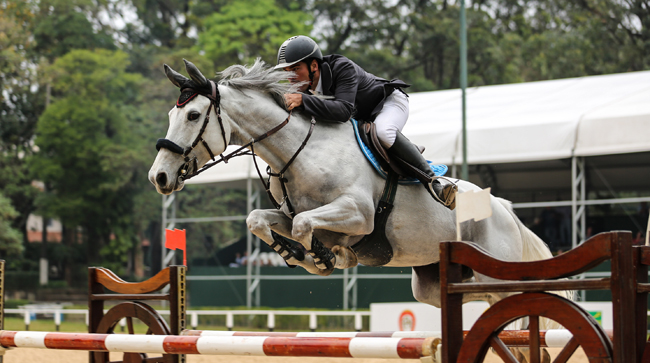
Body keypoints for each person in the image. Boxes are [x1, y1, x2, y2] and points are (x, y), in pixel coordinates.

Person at [275, 35, 456, 209]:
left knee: (383, 132)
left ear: (314, 65)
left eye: (296, 68)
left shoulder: (341, 67)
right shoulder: (304, 91)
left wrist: (303, 101)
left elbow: (344, 110)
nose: (290, 76)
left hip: (388, 103)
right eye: (287, 71)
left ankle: (435, 183)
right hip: (363, 119)